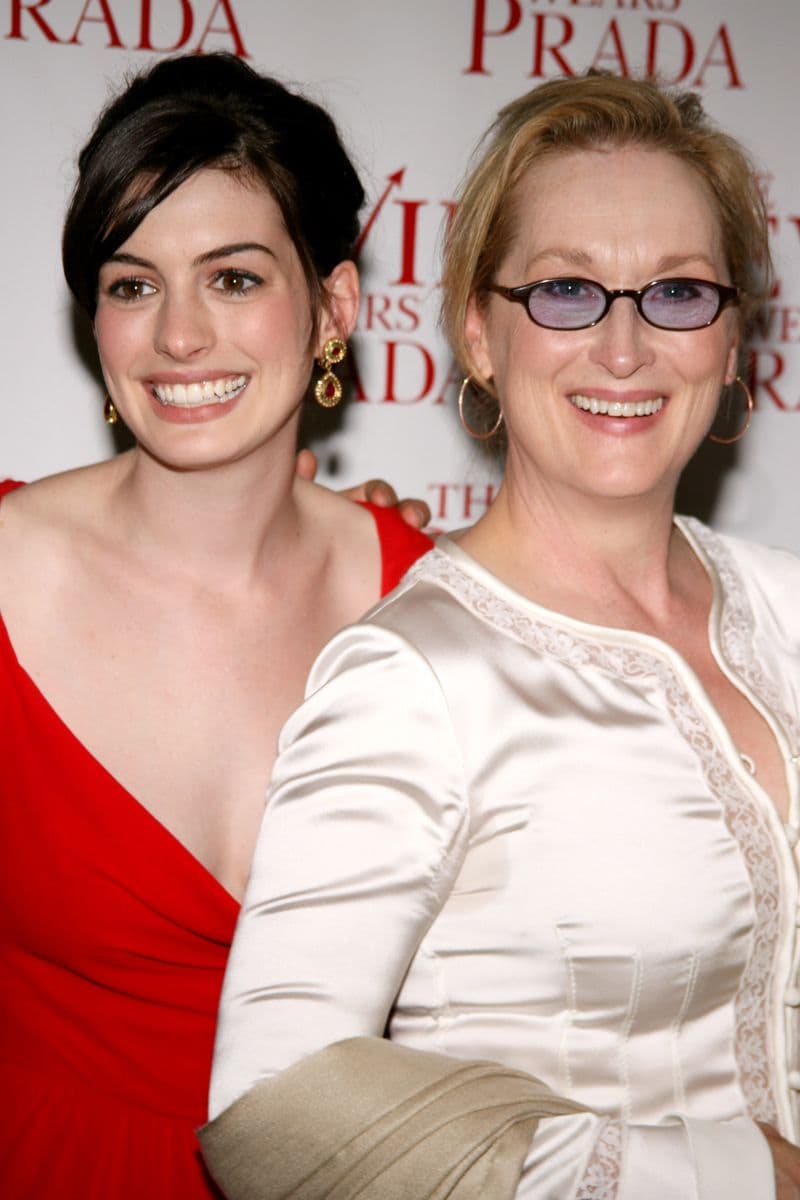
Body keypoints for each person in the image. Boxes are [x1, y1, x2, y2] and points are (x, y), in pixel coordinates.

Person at [206, 72, 800, 1200]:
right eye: (567, 292)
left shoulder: (788, 609)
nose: (623, 348)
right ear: (478, 334)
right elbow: (270, 1114)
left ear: (730, 343)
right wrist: (734, 1178)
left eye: (677, 293)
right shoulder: (414, 673)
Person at [0, 52, 432, 1200]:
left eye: (233, 279)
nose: (179, 337)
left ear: (334, 304)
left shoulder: (436, 605)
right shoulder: (7, 566)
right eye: (132, 284)